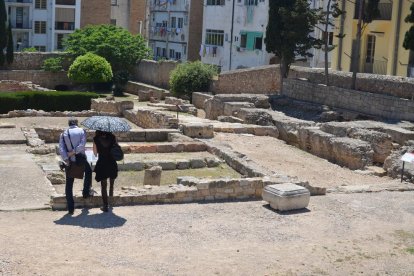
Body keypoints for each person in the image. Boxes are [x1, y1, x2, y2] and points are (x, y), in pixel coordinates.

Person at [59, 118, 92, 215]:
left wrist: (66, 158)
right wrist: (74, 152)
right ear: (76, 123)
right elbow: (82, 145)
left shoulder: (64, 133)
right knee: (89, 172)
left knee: (69, 184)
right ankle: (85, 192)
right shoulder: (82, 131)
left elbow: (61, 148)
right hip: (81, 159)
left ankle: (70, 208)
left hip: (70, 161)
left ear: (69, 124)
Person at [93, 130, 118, 212]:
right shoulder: (113, 137)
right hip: (112, 162)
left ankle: (105, 205)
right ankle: (111, 199)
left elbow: (95, 153)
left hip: (102, 163)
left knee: (104, 186)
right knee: (112, 183)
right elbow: (116, 149)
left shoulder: (96, 139)